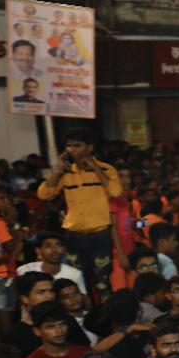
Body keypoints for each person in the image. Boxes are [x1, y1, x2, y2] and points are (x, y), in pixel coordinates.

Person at [35, 128, 123, 301]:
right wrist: (57, 170)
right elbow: (44, 194)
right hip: (74, 234)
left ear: (89, 147)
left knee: (102, 282)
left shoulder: (106, 169)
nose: (71, 150)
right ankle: (84, 312)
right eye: (69, 146)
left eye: (77, 145)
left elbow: (116, 191)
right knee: (78, 281)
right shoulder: (66, 172)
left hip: (99, 234)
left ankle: (105, 314)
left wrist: (95, 168)